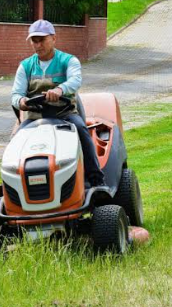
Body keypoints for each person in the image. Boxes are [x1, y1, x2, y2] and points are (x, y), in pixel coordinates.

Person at [11, 20, 105, 187]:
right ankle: (15, 185)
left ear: (54, 38)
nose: (38, 45)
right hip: (35, 118)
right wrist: (21, 101)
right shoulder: (25, 66)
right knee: (15, 142)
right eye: (34, 41)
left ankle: (95, 179)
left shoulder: (68, 61)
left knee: (82, 131)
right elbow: (16, 94)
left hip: (64, 115)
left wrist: (60, 90)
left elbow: (75, 81)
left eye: (42, 40)